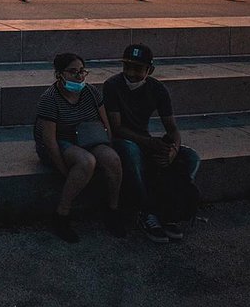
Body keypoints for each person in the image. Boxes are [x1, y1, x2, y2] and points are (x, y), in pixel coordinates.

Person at [103, 43, 201, 243]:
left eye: (138, 68)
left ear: (150, 70)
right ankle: (147, 211)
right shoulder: (112, 85)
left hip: (146, 140)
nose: (131, 73)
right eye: (127, 67)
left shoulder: (158, 89)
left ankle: (171, 207)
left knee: (191, 157)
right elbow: (116, 128)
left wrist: (172, 150)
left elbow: (172, 129)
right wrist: (149, 143)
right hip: (123, 141)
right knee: (131, 151)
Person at [34, 52, 125, 243]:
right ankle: (62, 214)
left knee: (113, 159)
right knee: (86, 162)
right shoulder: (50, 98)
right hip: (60, 142)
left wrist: (105, 146)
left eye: (82, 71)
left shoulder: (90, 92)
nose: (79, 76)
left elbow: (105, 123)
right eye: (73, 72)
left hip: (87, 137)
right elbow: (49, 140)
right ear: (59, 74)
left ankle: (112, 209)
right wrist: (64, 170)